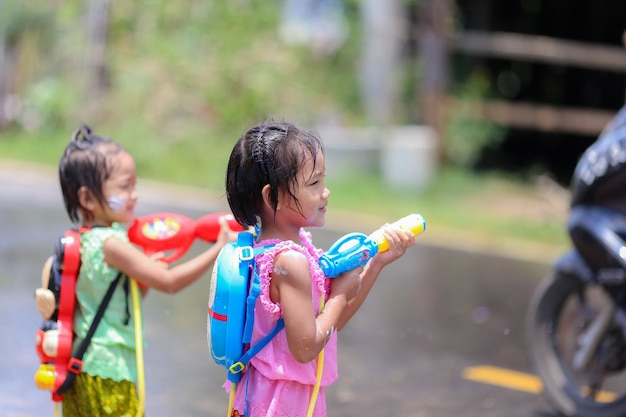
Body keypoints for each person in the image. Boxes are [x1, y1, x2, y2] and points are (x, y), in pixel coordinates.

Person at [224, 121, 416, 417]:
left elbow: (328, 325)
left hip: (267, 396)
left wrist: (375, 265)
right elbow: (305, 348)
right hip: (278, 405)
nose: (325, 193)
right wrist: (339, 294)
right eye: (313, 184)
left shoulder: (278, 249)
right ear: (272, 196)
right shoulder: (291, 262)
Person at [58, 125, 238, 416]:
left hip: (84, 366)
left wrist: (144, 273)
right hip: (108, 369)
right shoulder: (112, 244)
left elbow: (125, 298)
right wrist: (218, 248)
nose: (134, 195)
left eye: (134, 185)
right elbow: (169, 283)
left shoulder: (88, 238)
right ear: (88, 199)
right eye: (124, 186)